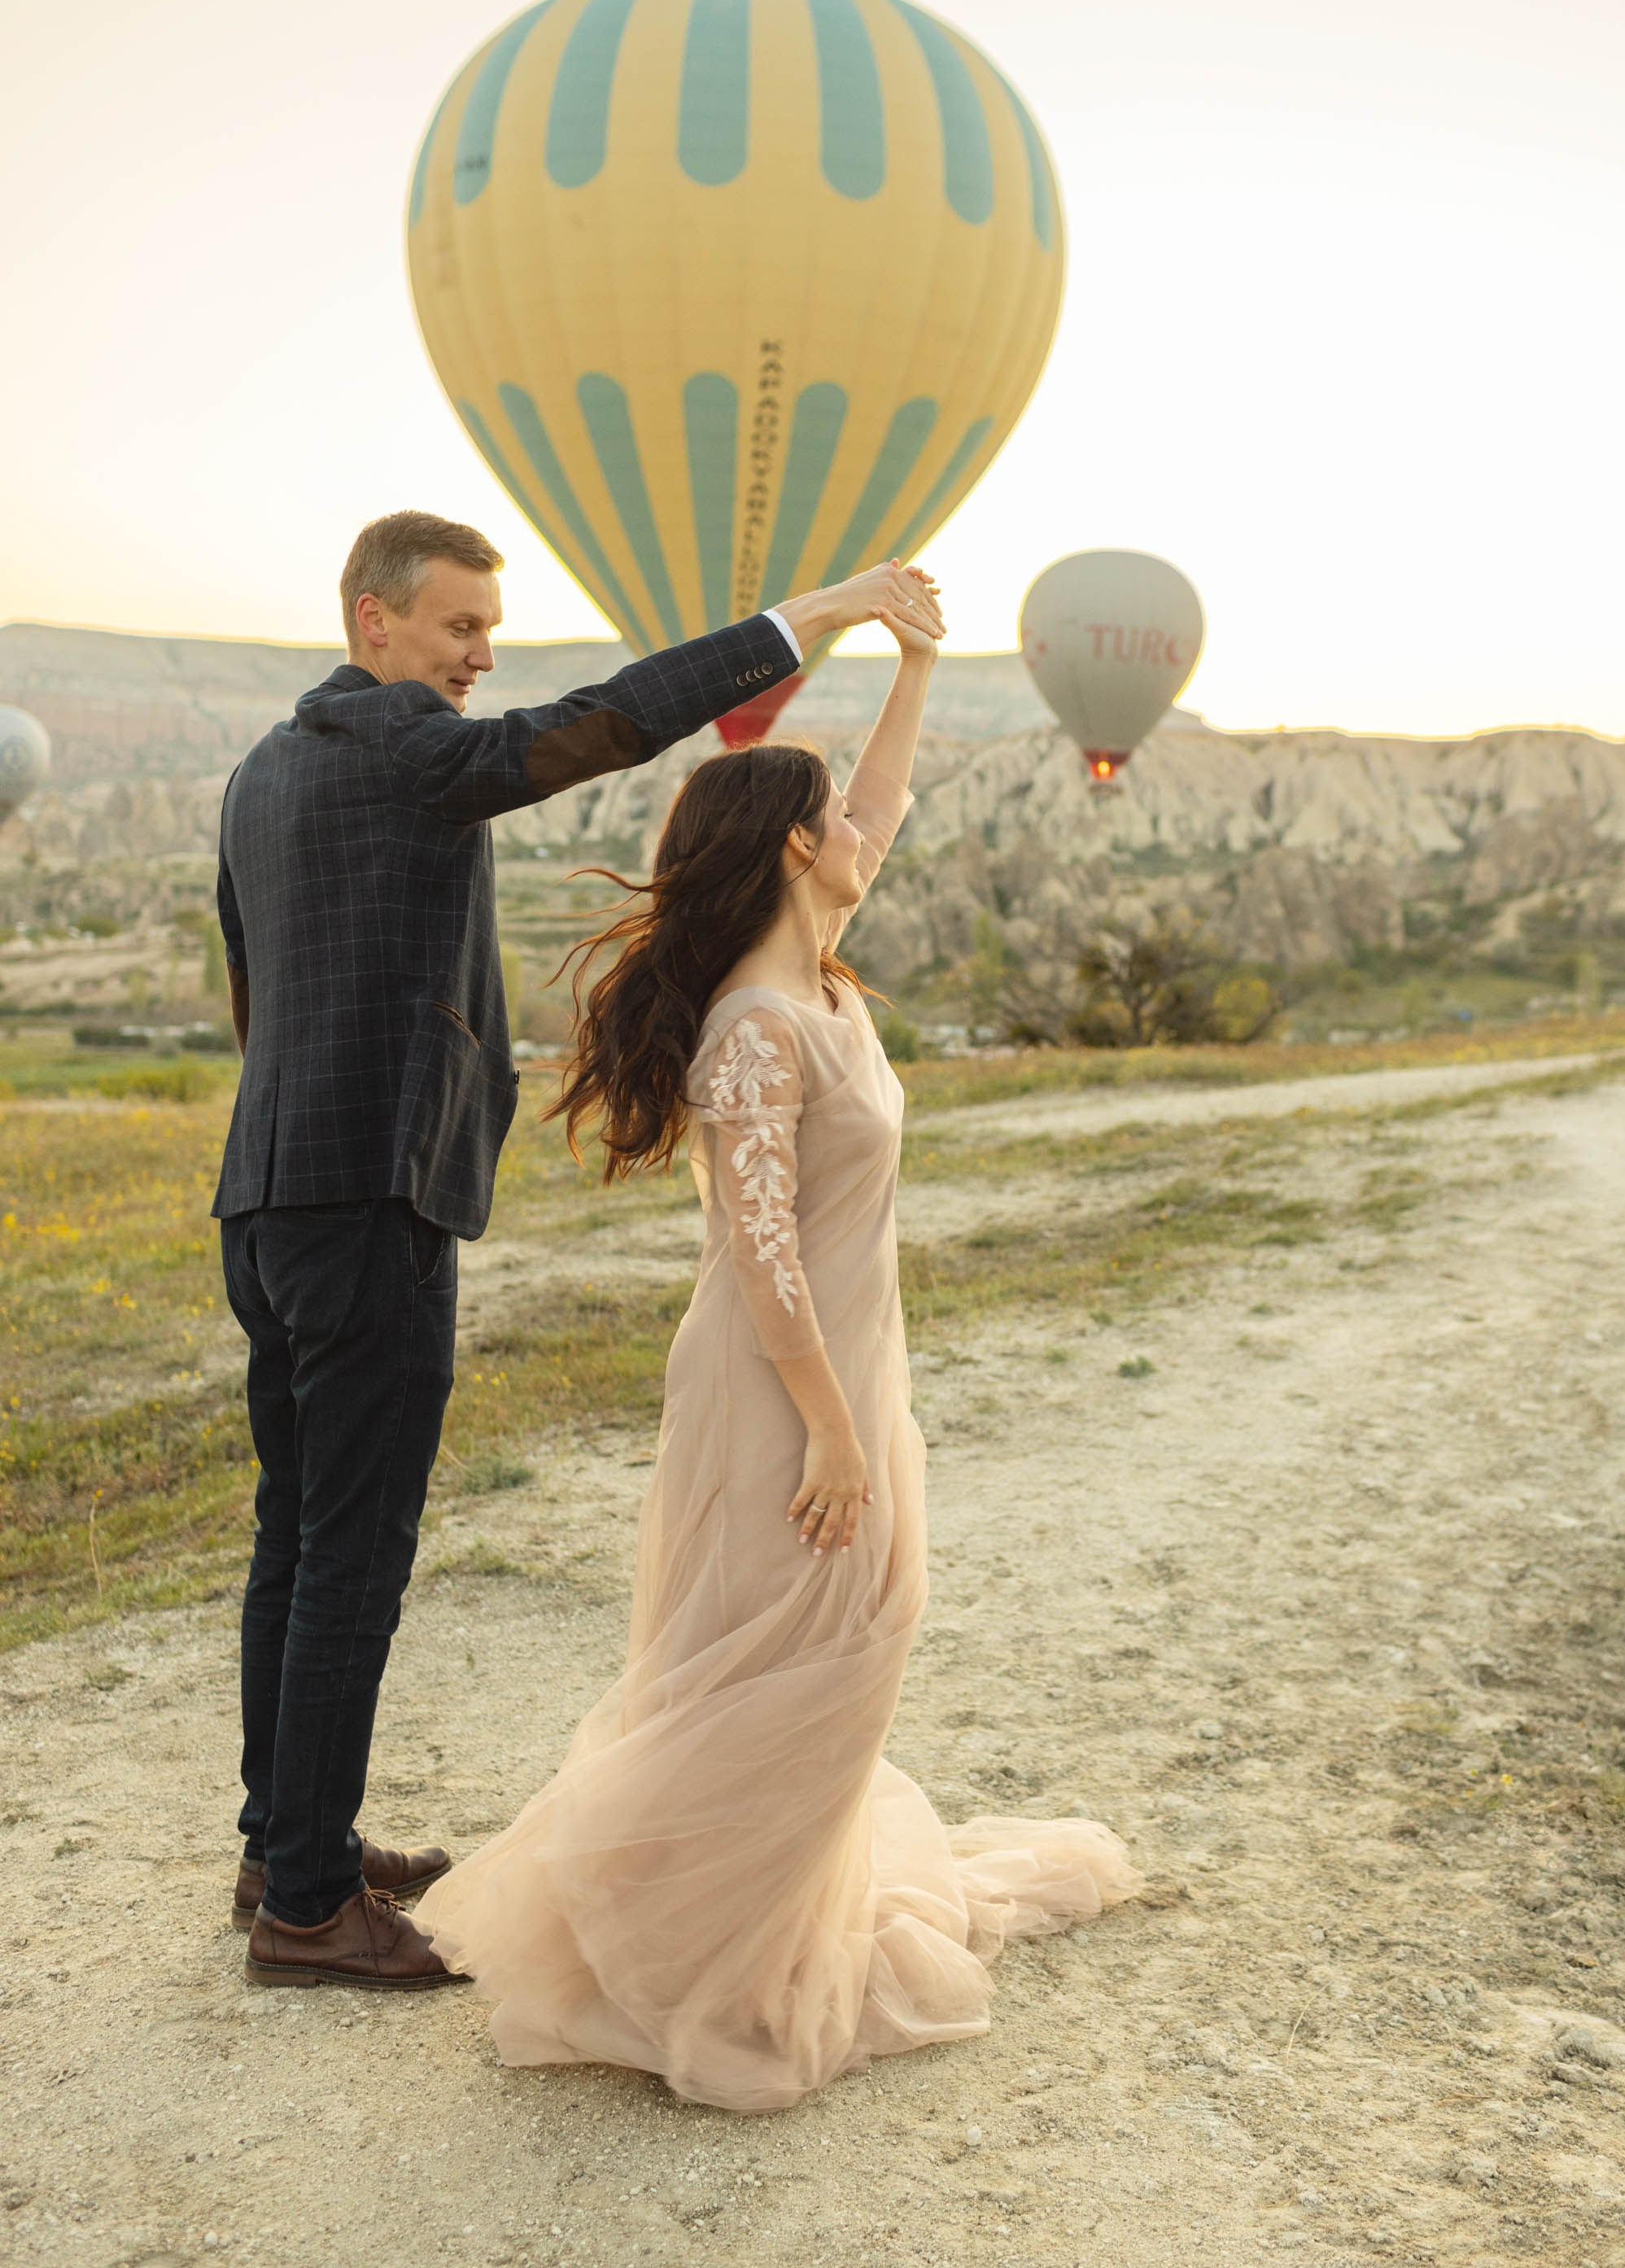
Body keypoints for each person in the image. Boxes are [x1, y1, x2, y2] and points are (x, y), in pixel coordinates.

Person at [415, 573, 1140, 2107]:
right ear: (797, 851)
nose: (863, 829)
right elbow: (761, 1259)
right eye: (833, 821)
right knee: (786, 1656)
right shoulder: (757, 1025)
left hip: (845, 1370)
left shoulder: (815, 966)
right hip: (780, 1386)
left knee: (835, 1647)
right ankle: (708, 1964)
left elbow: (881, 798)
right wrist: (826, 1427)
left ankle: (753, 1929)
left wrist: (913, 664)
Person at [214, 505, 943, 1991]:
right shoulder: (409, 752)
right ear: (372, 622)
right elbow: (608, 722)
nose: (482, 656)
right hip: (370, 1202)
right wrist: (814, 615)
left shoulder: (263, 772)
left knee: (296, 1534)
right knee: (352, 1550)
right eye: (459, 626)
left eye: (489, 629)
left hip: (274, 1192)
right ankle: (307, 1910)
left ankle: (283, 1847)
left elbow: (253, 983)